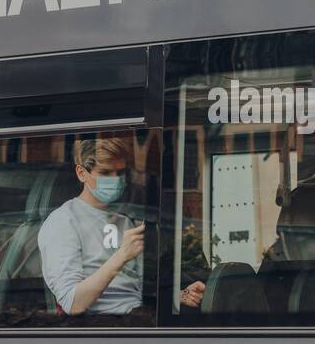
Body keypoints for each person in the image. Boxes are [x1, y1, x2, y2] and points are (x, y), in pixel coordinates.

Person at [39, 135, 205, 315]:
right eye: (105, 172)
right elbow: (73, 303)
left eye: (120, 172)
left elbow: (134, 289)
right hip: (104, 328)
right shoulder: (64, 222)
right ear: (81, 173)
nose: (115, 179)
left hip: (138, 316)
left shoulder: (124, 221)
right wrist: (122, 256)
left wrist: (178, 296)